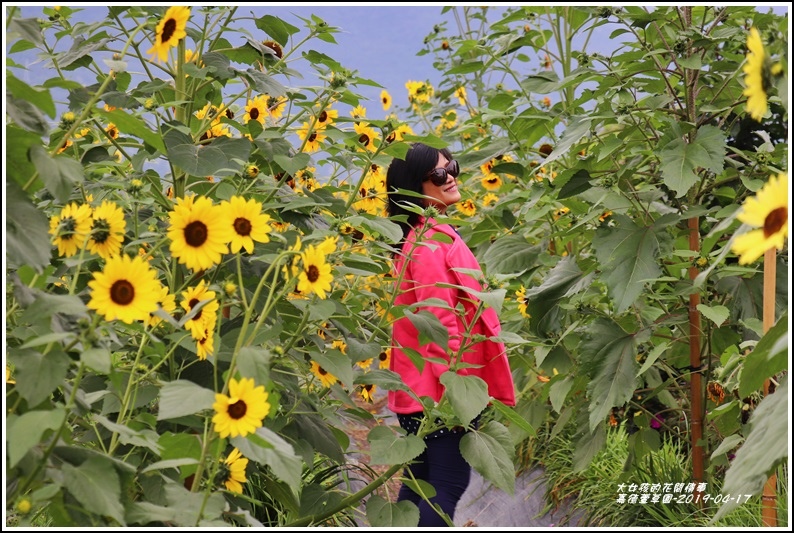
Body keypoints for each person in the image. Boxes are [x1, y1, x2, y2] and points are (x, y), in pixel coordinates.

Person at [385, 142, 516, 526]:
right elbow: (437, 321)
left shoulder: (427, 235)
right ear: (414, 187)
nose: (451, 177)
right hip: (437, 394)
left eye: (452, 167)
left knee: (420, 484)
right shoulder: (427, 243)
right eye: (439, 174)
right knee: (447, 482)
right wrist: (455, 394)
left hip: (422, 389)